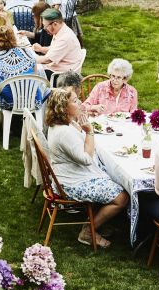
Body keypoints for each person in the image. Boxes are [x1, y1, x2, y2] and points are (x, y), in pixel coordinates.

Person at [46, 88, 129, 248]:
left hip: (72, 175)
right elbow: (85, 159)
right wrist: (90, 132)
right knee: (122, 198)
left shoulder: (65, 122)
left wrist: (80, 121)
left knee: (112, 175)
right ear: (63, 107)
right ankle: (88, 231)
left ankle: (98, 222)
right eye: (75, 101)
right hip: (71, 182)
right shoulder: (63, 132)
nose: (79, 103)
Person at [0, 26, 41, 111]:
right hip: (34, 100)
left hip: (9, 103)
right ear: (14, 38)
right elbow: (35, 75)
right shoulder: (27, 52)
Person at [33, 9, 82, 79]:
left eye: (45, 26)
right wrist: (41, 49)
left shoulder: (65, 38)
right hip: (59, 69)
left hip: (63, 76)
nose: (44, 29)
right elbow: (55, 49)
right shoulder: (61, 30)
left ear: (55, 24)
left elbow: (47, 60)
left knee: (29, 74)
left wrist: (29, 60)